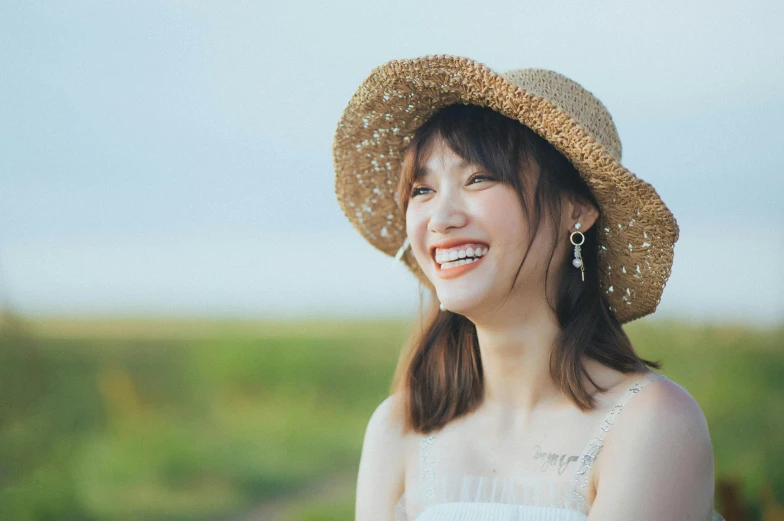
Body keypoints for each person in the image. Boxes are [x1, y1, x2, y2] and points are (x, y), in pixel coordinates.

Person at [333, 55, 725, 521]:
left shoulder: (650, 423)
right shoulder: (401, 427)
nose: (440, 219)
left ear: (576, 211)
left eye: (478, 178)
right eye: (422, 190)